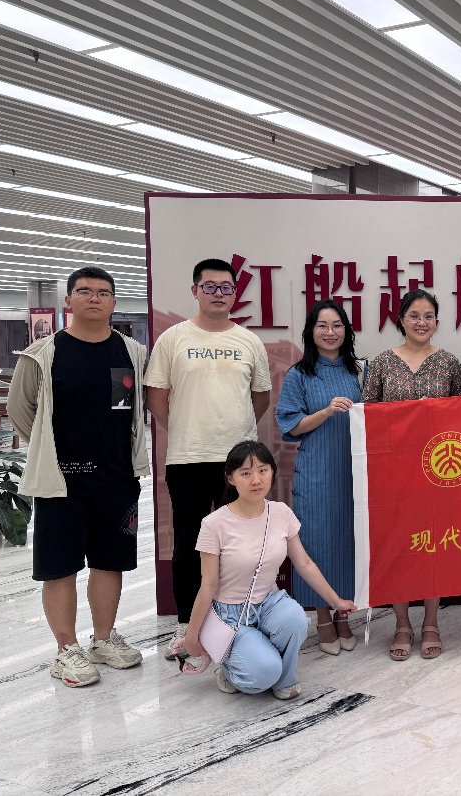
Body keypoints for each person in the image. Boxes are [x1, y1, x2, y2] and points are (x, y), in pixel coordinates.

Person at [8, 267, 149, 688]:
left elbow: (126, 407)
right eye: (84, 291)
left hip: (116, 479)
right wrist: (49, 449)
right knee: (60, 568)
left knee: (110, 563)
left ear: (114, 302)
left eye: (103, 292)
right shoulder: (43, 354)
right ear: (68, 300)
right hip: (61, 482)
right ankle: (66, 649)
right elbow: (20, 410)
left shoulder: (130, 352)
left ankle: (103, 640)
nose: (94, 298)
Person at [145, 258, 273, 656]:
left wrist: (234, 432)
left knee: (243, 545)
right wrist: (186, 427)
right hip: (188, 458)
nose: (219, 293)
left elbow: (260, 398)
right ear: (195, 290)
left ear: (235, 293)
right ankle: (188, 627)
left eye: (226, 287)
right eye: (210, 286)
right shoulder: (173, 339)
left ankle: (240, 620)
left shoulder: (249, 341)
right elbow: (156, 396)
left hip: (240, 464)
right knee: (189, 544)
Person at [179, 441, 357, 699]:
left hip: (269, 602)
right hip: (231, 614)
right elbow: (208, 584)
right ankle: (229, 668)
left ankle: (285, 679)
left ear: (272, 472)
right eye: (245, 473)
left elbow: (304, 563)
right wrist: (192, 635)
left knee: (295, 619)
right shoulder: (214, 524)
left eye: (263, 470)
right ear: (231, 478)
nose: (256, 480)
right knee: (262, 674)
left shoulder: (281, 512)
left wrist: (336, 601)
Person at [361, 289, 461, 660]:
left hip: (438, 471)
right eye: (414, 315)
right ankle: (402, 624)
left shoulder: (450, 363)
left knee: (434, 545)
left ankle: (431, 621)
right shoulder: (382, 363)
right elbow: (368, 416)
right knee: (399, 546)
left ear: (437, 321)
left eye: (428, 316)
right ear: (401, 320)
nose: (422, 322)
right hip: (393, 473)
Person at [275, 300, 361, 655]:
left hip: (353, 471)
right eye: (322, 326)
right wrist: (325, 412)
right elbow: (290, 425)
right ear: (311, 332)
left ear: (346, 331)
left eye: (337, 325)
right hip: (317, 470)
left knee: (347, 542)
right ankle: (323, 617)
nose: (330, 332)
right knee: (316, 542)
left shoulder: (357, 371)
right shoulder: (299, 374)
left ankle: (344, 613)